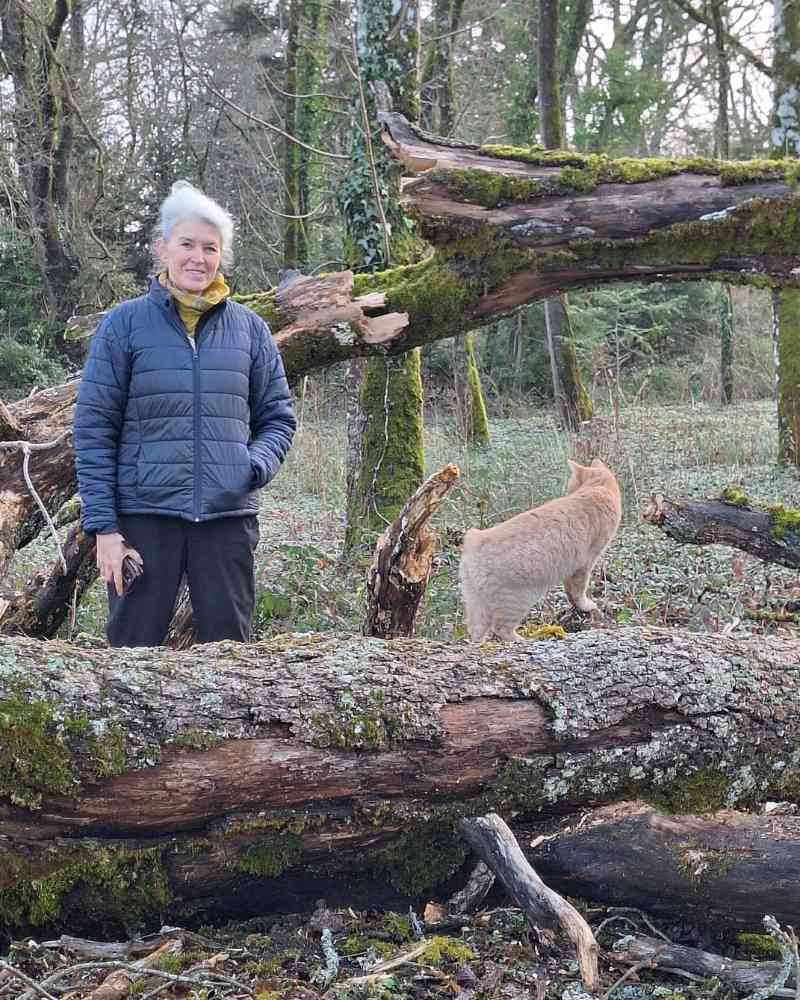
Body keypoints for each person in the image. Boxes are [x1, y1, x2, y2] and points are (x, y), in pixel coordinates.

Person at [74, 181, 296, 647]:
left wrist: (252, 466)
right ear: (163, 249)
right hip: (144, 518)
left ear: (222, 257)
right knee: (131, 662)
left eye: (210, 248)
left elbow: (279, 417)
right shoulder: (124, 326)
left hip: (226, 519)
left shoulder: (250, 330)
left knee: (229, 658)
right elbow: (94, 431)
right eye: (187, 244)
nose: (198, 257)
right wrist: (105, 529)